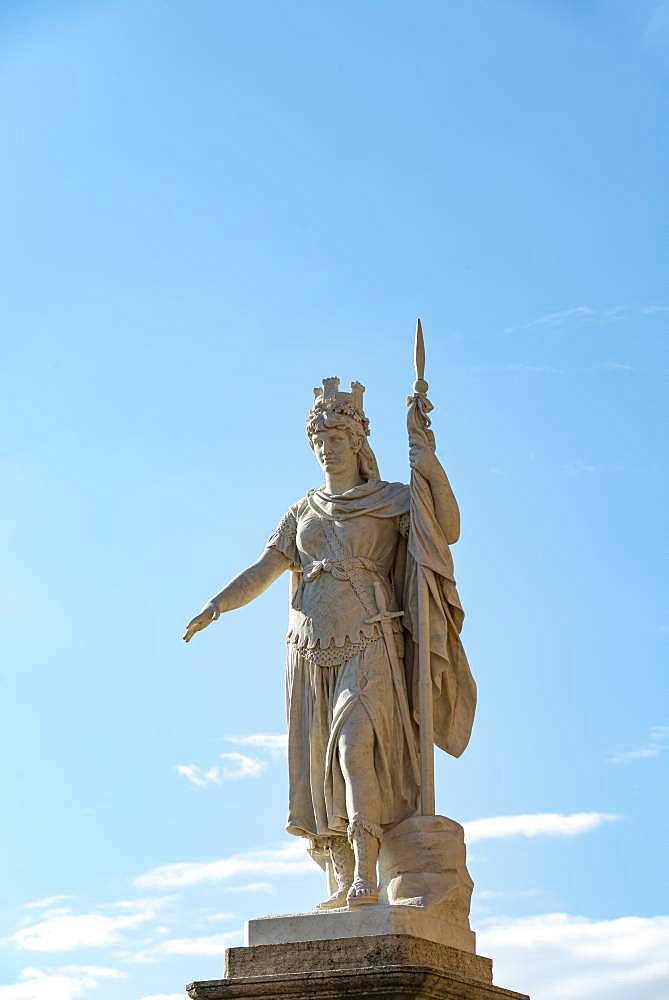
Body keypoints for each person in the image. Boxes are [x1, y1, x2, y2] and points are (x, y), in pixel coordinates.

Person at [183, 377, 475, 909]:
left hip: (371, 643)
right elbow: (265, 568)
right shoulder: (302, 510)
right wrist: (218, 604)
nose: (326, 448)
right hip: (310, 650)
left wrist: (428, 460)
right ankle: (339, 878)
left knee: (354, 751)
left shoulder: (393, 499)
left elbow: (447, 529)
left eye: (336, 438)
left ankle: (367, 872)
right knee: (321, 771)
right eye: (319, 440)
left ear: (358, 442)